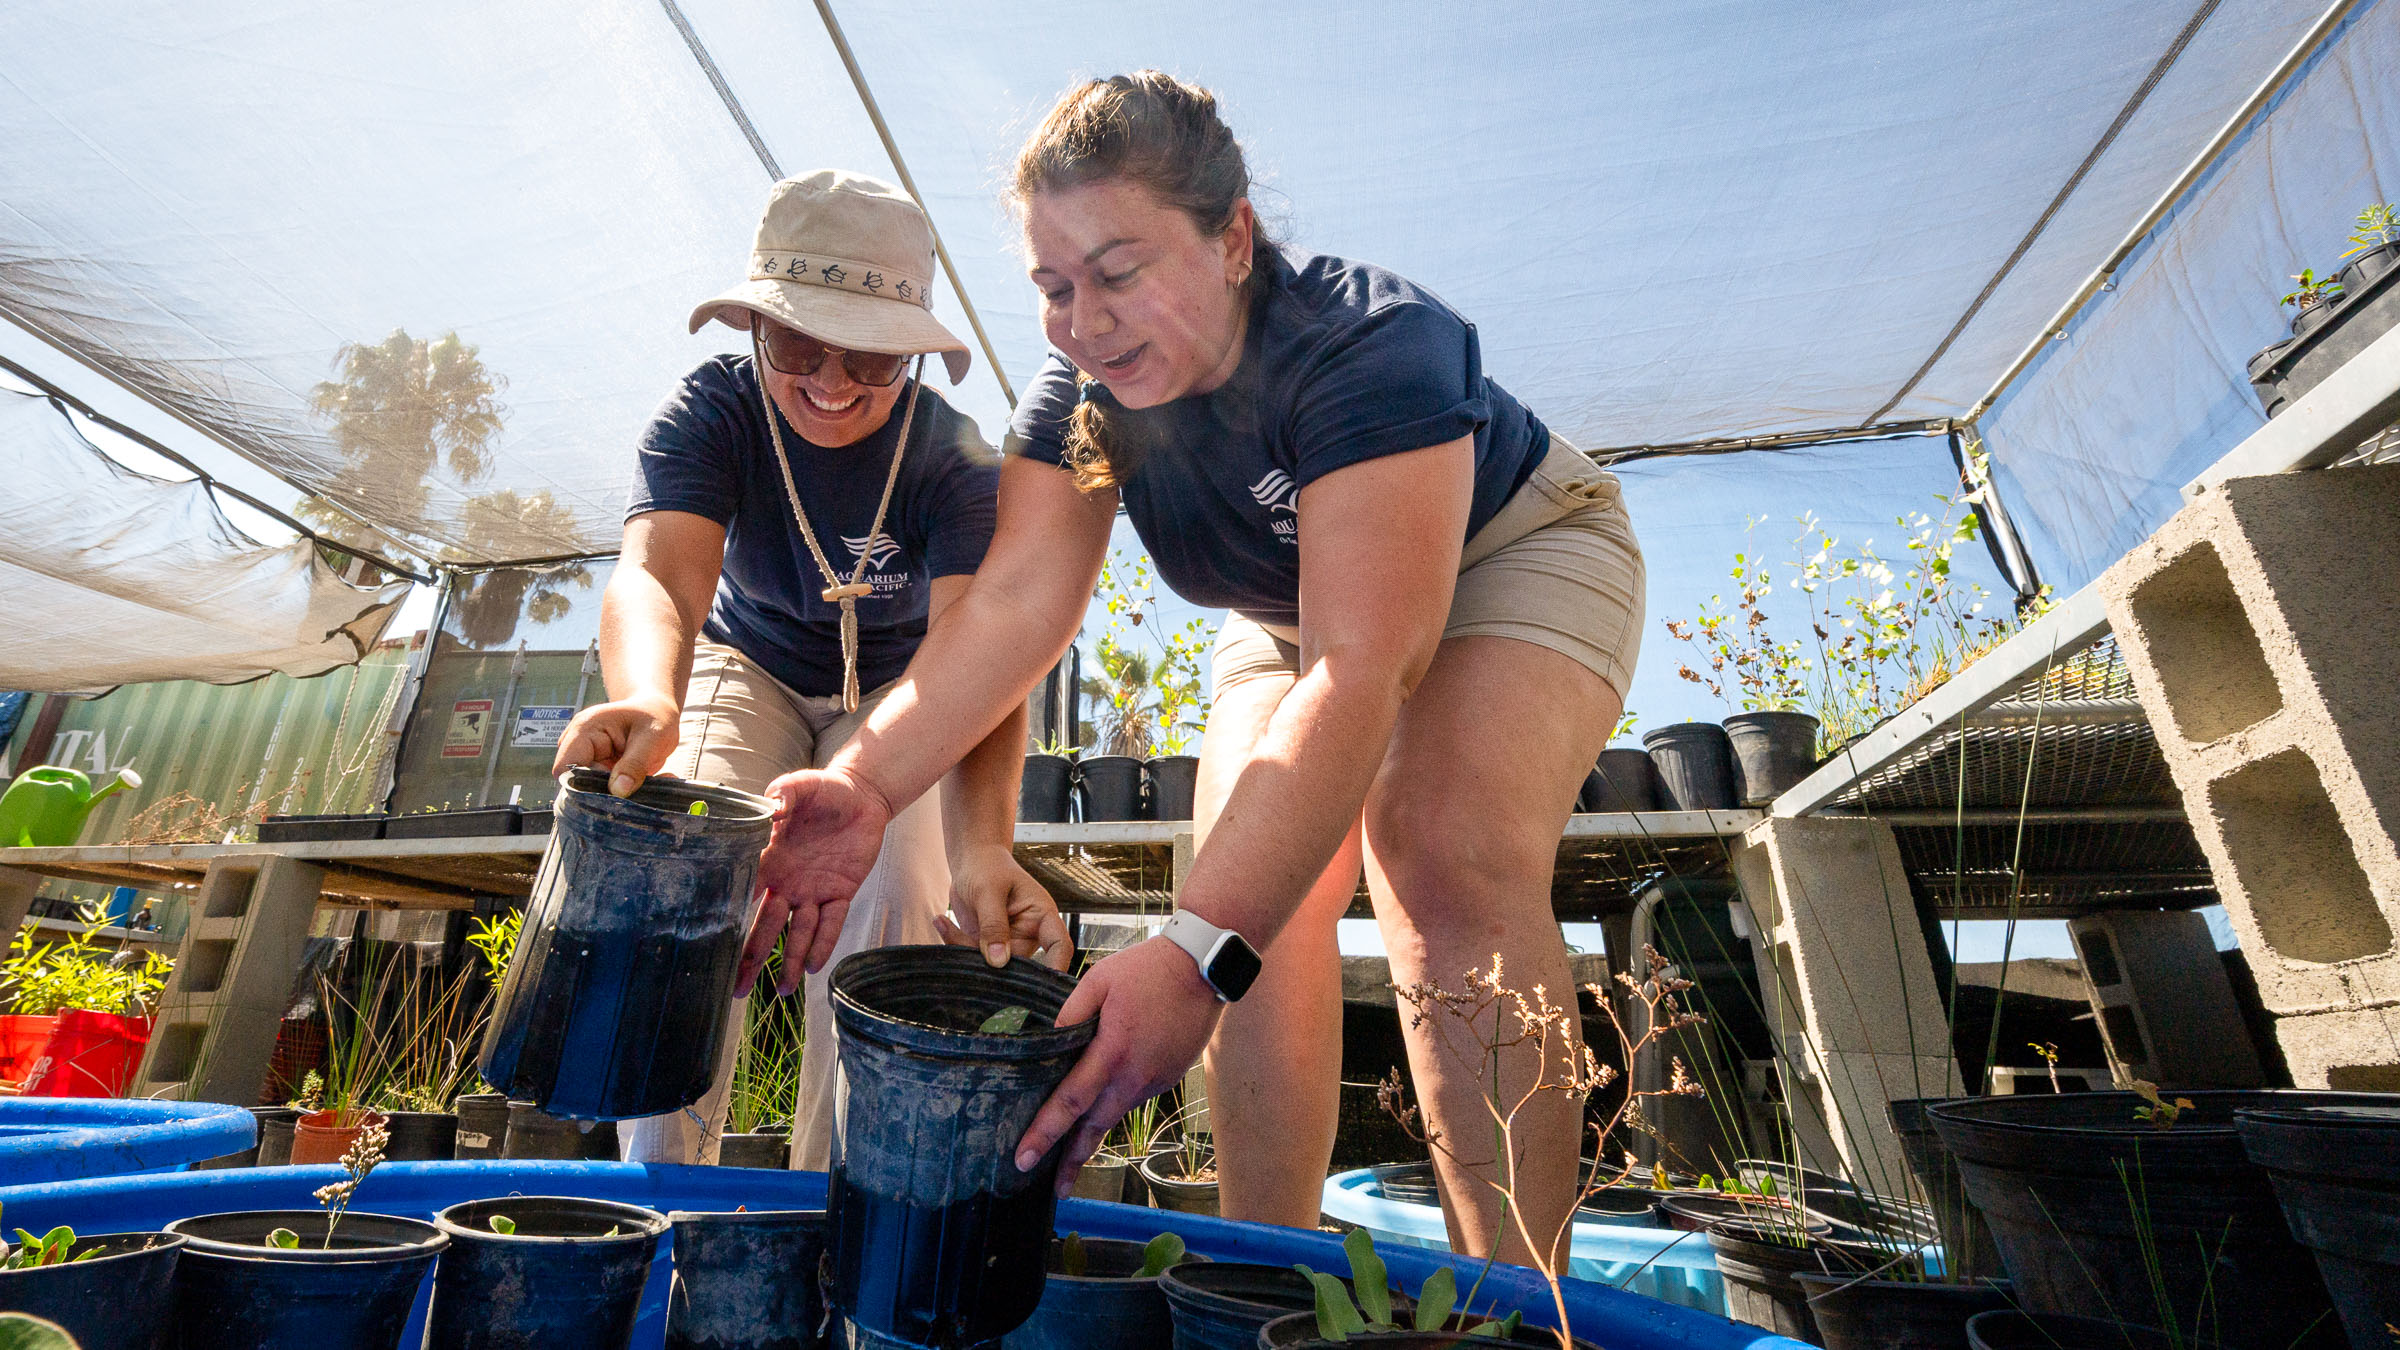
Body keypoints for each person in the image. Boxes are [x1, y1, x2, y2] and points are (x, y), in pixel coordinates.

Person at [743, 74, 1642, 1263]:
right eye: (1054, 289)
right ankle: (1262, 1279)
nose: (1084, 323)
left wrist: (1200, 944)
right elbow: (1013, 607)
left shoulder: (1368, 343)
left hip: (1508, 553)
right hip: (1285, 619)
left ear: (1232, 238)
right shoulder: (1082, 398)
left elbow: (1363, 668)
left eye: (1118, 272)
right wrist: (864, 784)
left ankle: (1524, 1301)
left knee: (1434, 842)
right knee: (1255, 890)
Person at [554, 169, 1070, 1169]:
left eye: (873, 356)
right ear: (753, 327)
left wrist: (982, 849)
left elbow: (982, 662)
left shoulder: (957, 458)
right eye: (798, 344)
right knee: (689, 860)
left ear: (911, 356)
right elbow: (659, 573)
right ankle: (662, 1194)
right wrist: (647, 695)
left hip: (903, 688)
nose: (833, 381)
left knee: (897, 899)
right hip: (745, 666)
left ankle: (836, 1204)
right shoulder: (710, 413)